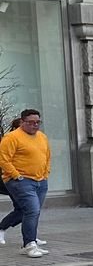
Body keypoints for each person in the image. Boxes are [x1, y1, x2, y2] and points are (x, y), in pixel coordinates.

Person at [0, 108, 51, 257]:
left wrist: (45, 174)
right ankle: (29, 244)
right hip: (21, 181)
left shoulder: (42, 137)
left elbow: (47, 156)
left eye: (38, 122)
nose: (35, 125)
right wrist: (16, 175)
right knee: (32, 210)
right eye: (31, 122)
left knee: (32, 211)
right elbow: (4, 159)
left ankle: (31, 240)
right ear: (22, 122)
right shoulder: (11, 138)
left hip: (40, 180)